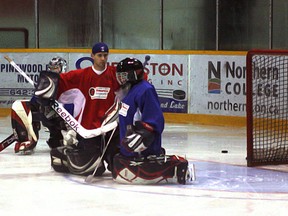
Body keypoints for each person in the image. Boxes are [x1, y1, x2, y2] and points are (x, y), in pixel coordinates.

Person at [36, 42, 120, 176]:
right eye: (99, 55)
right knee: (92, 169)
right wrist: (46, 84)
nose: (103, 59)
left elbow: (135, 81)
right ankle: (65, 153)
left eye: (105, 55)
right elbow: (59, 80)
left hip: (111, 128)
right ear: (92, 55)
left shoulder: (115, 75)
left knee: (118, 167)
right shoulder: (81, 75)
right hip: (89, 129)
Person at [112, 57, 195, 185]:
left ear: (133, 75)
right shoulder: (127, 90)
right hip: (127, 152)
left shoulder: (145, 90)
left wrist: (143, 136)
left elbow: (155, 121)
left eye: (123, 75)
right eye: (119, 75)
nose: (120, 79)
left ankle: (174, 169)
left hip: (142, 153)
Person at [11, 56, 69, 155]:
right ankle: (27, 138)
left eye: (55, 68)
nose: (52, 71)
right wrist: (40, 95)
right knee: (24, 107)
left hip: (63, 121)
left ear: (62, 68)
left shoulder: (68, 82)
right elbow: (34, 102)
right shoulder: (47, 83)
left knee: (59, 144)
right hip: (49, 118)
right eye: (51, 68)